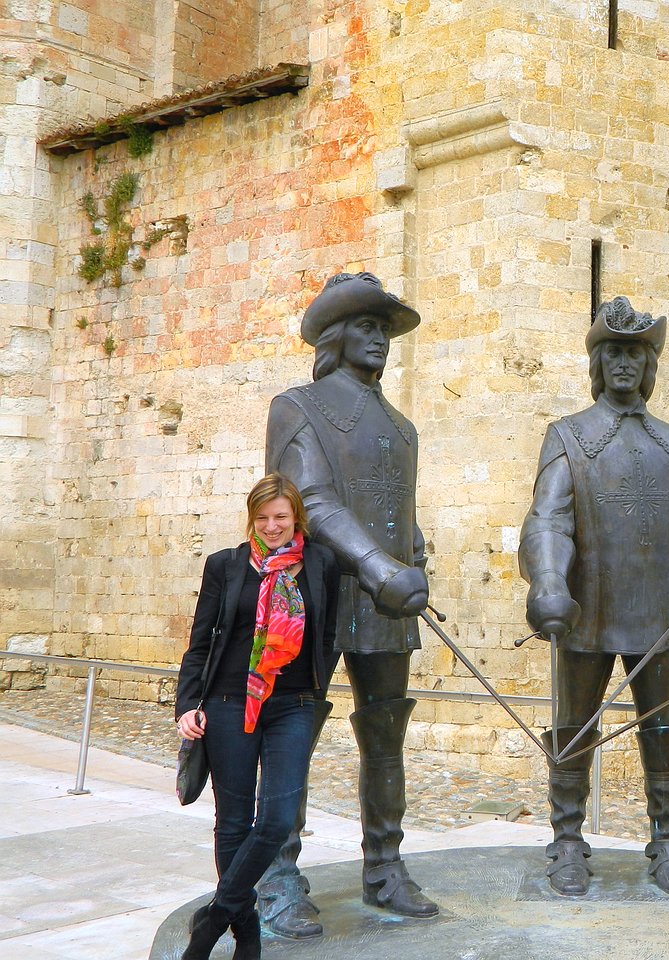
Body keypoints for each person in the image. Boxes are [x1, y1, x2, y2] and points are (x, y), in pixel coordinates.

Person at [259, 272, 436, 937]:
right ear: (336, 335)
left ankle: (385, 866)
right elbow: (311, 499)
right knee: (292, 733)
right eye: (366, 326)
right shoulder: (297, 407)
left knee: (386, 732)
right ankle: (276, 876)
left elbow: (395, 506)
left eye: (384, 329)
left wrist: (413, 551)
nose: (379, 339)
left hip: (383, 603)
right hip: (314, 594)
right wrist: (380, 564)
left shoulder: (401, 427)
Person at [519, 296, 669, 896]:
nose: (625, 363)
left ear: (649, 365)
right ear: (598, 363)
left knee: (663, 729)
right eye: (614, 353)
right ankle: (567, 838)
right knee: (573, 726)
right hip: (588, 611)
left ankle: (668, 838)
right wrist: (549, 582)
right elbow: (547, 520)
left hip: (659, 613)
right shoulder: (569, 436)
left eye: (635, 353)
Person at [174, 474, 340, 960]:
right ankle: (247, 933)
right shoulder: (225, 566)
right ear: (252, 518)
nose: (272, 526)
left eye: (280, 517)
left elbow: (327, 635)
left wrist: (315, 688)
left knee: (277, 820)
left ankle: (213, 920)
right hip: (229, 703)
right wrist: (187, 705)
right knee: (232, 823)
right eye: (263, 517)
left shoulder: (321, 564)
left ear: (296, 518)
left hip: (293, 705)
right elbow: (200, 641)